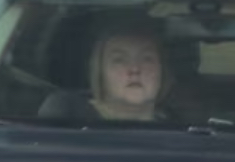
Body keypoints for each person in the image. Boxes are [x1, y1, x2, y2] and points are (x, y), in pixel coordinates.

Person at [38, 16, 174, 122]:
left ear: (162, 71)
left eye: (146, 59)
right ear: (101, 72)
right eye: (119, 60)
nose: (134, 69)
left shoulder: (178, 128)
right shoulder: (66, 113)